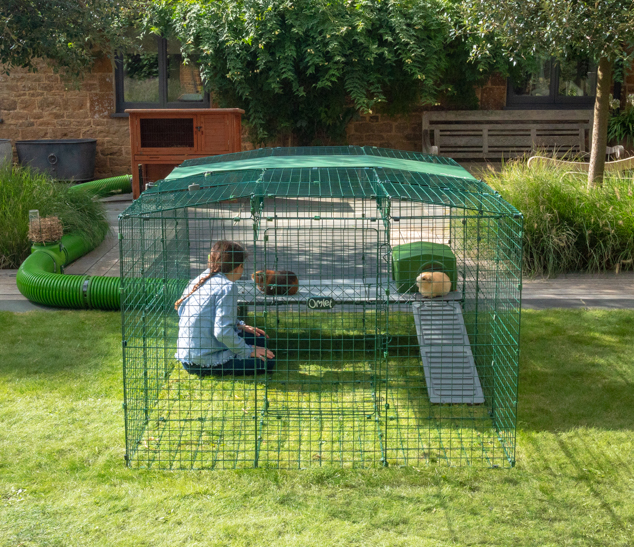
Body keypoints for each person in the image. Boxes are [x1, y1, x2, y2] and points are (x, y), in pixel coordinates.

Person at [174, 240, 275, 376]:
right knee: (268, 361)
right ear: (238, 267)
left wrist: (239, 325)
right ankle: (224, 358)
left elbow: (200, 314)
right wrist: (248, 350)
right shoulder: (228, 287)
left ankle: (240, 348)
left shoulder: (202, 276)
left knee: (261, 340)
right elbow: (222, 332)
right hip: (202, 360)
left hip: (189, 353)